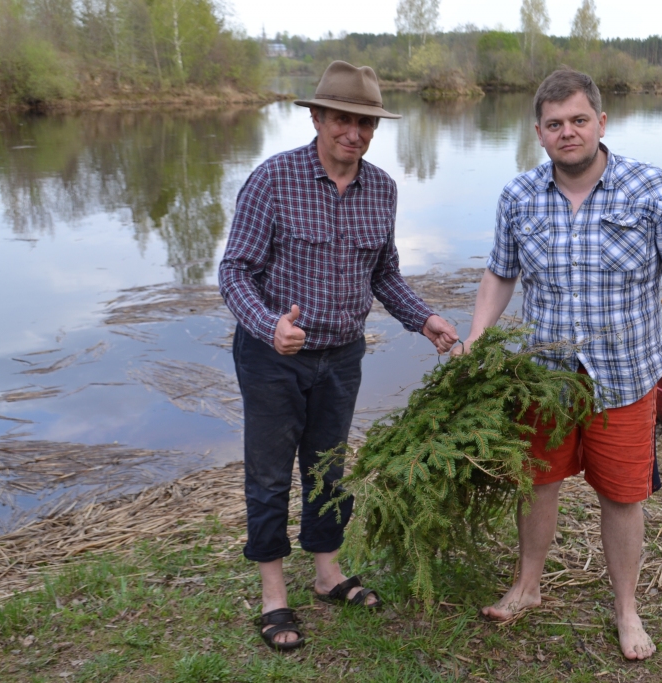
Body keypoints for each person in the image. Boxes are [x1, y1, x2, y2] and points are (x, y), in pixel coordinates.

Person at [455, 68, 662, 660]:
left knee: (624, 497)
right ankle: (528, 586)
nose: (567, 132)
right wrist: (476, 339)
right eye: (555, 124)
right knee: (538, 483)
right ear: (538, 133)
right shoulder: (518, 196)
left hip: (624, 379)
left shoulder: (650, 189)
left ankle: (626, 609)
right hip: (544, 379)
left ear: (602, 122)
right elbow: (500, 274)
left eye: (578, 120)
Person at [219, 60, 459, 651]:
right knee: (271, 477)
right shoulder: (273, 179)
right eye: (343, 119)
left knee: (328, 471)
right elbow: (234, 272)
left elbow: (385, 275)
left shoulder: (382, 188)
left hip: (342, 356)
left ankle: (327, 572)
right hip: (271, 356)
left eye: (365, 122)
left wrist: (424, 319)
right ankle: (274, 595)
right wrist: (269, 325)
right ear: (318, 117)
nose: (354, 132)